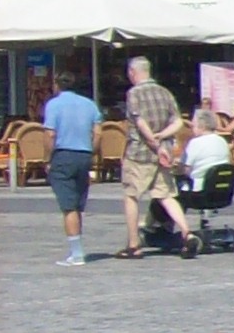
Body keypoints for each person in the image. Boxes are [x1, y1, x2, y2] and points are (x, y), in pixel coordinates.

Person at [119, 55, 195, 260]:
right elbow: (178, 122)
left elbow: (140, 122)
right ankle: (187, 233)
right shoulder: (165, 92)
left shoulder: (134, 93)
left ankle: (134, 244)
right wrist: (163, 136)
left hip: (140, 153)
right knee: (166, 195)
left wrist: (154, 142)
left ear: (133, 72)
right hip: (164, 154)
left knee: (132, 196)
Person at [42, 78, 101, 267]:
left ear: (57, 86)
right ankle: (77, 249)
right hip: (84, 154)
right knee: (77, 204)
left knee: (68, 206)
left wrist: (47, 158)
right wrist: (92, 152)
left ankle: (76, 254)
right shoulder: (89, 104)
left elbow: (50, 133)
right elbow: (98, 132)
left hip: (63, 154)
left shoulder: (54, 104)